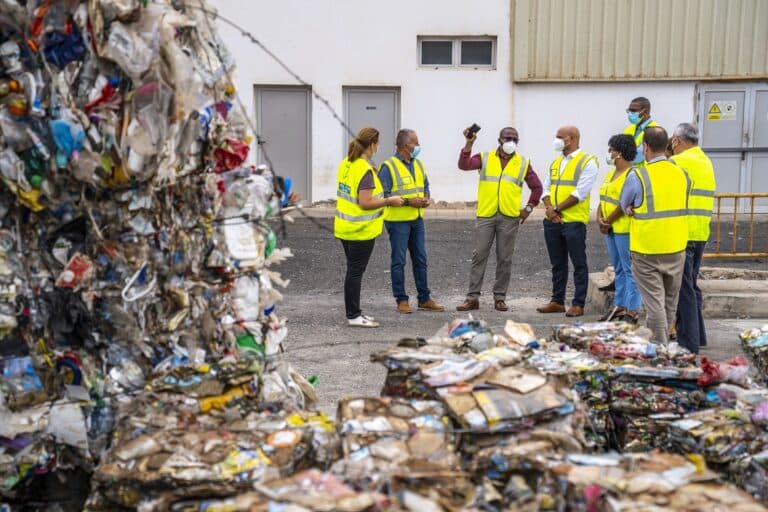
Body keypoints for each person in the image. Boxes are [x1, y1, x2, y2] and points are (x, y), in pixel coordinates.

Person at [456, 126, 543, 312]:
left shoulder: (523, 163)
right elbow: (464, 165)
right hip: (486, 214)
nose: (511, 142)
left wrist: (528, 208)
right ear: (499, 140)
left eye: (514, 139)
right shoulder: (485, 157)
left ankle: (500, 298)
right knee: (479, 255)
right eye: (507, 138)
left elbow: (537, 188)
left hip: (509, 217)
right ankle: (472, 298)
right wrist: (469, 144)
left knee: (505, 258)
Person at [620, 126, 690, 345]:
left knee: (654, 305)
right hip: (676, 246)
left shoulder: (638, 175)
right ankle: (666, 347)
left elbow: (625, 204)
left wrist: (630, 208)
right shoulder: (681, 173)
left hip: (647, 249)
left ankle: (658, 351)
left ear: (646, 146)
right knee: (670, 302)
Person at [334, 127, 404, 328]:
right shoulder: (364, 169)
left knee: (352, 271)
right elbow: (365, 202)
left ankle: (354, 313)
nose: (378, 147)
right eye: (378, 143)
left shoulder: (346, 164)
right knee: (355, 272)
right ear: (372, 144)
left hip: (345, 227)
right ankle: (354, 315)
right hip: (360, 230)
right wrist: (389, 200)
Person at [378, 129, 444, 313]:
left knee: (420, 259)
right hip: (397, 221)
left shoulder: (419, 164)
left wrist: (426, 198)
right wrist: (409, 201)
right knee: (399, 261)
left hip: (416, 219)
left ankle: (424, 298)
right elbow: (383, 195)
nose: (418, 145)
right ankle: (401, 300)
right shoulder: (388, 166)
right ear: (406, 145)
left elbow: (425, 186)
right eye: (416, 142)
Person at [537, 126, 598, 317]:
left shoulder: (588, 162)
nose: (555, 140)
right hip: (553, 221)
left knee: (579, 263)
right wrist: (549, 209)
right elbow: (545, 188)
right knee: (557, 263)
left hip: (573, 222)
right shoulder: (556, 163)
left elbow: (580, 193)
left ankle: (578, 303)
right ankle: (557, 301)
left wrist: (556, 209)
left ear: (570, 139)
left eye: (559, 137)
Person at [670, 122, 716, 354]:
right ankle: (699, 336)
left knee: (683, 289)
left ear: (677, 141)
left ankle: (688, 342)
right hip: (700, 233)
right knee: (691, 285)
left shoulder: (677, 162)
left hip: (683, 233)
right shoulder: (705, 161)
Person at [596, 134, 643, 323]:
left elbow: (624, 203)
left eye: (612, 150)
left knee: (630, 270)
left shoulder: (632, 175)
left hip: (623, 229)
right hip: (610, 229)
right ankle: (620, 306)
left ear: (620, 153)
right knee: (619, 270)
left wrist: (607, 221)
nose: (609, 153)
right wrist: (600, 218)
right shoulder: (610, 174)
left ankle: (632, 310)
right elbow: (603, 199)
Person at [624, 96, 659, 166]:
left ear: (645, 112)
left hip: (645, 174)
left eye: (633, 111)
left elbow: (637, 156)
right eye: (629, 111)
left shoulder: (655, 130)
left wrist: (619, 156)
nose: (630, 114)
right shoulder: (629, 129)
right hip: (629, 172)